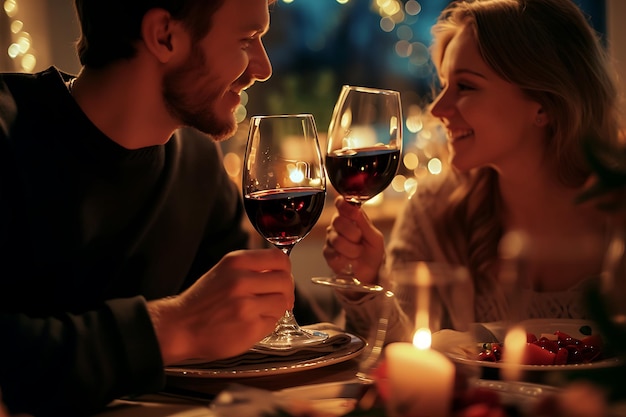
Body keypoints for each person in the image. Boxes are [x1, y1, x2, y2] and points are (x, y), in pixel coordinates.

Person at [0, 0, 298, 415]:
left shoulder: (197, 164)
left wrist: (365, 282)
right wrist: (173, 327)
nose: (263, 68)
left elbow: (276, 328)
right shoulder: (7, 131)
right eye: (247, 40)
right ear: (164, 36)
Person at [324, 0, 623, 342]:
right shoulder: (434, 211)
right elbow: (402, 357)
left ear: (544, 104)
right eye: (444, 84)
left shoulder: (619, 217)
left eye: (465, 86)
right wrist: (368, 281)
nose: (438, 109)